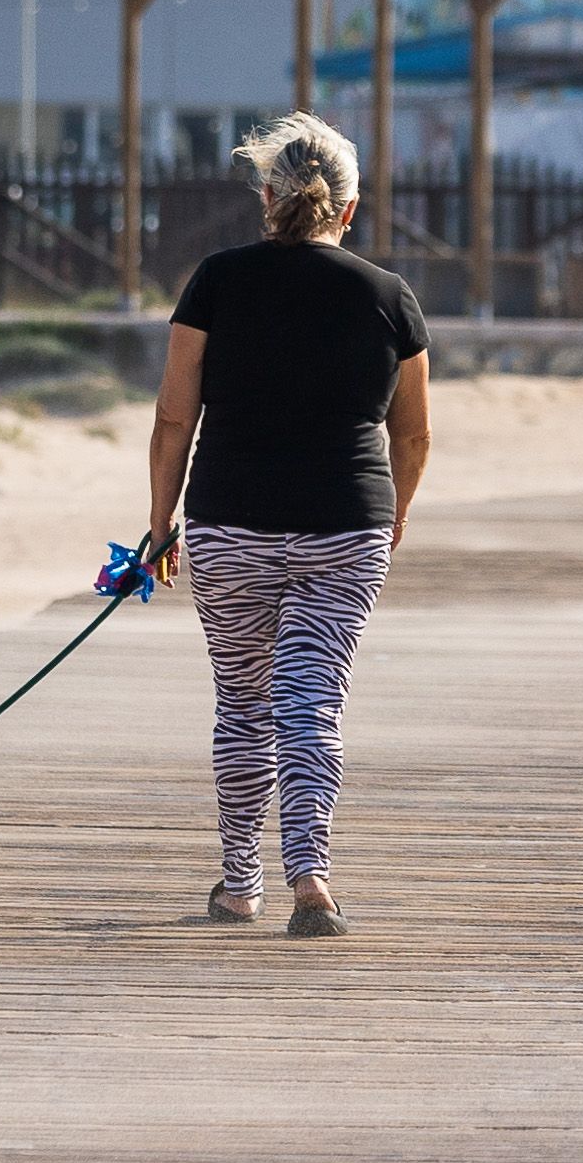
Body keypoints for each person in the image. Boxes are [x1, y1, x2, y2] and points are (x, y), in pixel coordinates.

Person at [146, 112, 431, 939]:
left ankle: (240, 885)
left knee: (242, 703)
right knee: (313, 700)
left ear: (266, 198)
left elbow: (174, 418)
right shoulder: (388, 296)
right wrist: (397, 513)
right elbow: (410, 434)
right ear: (349, 208)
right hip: (347, 523)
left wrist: (159, 526)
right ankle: (310, 875)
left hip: (230, 518)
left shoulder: (215, 280)